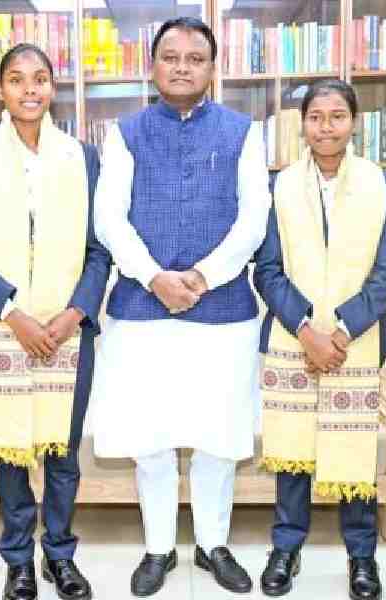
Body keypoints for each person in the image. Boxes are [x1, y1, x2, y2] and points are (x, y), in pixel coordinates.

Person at [89, 16, 270, 597]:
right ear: (153, 65)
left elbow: (253, 219)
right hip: (142, 310)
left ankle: (213, 543)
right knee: (153, 435)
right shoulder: (125, 132)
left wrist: (201, 275)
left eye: (195, 58)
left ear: (212, 68)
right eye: (172, 56)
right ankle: (159, 547)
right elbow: (109, 218)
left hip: (224, 311)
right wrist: (153, 276)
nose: (183, 66)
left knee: (218, 436)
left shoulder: (244, 132)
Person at [0, 43, 110, 600]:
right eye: (17, 80)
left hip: (68, 330)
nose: (30, 90)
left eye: (40, 79)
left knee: (61, 451)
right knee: (12, 449)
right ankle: (18, 559)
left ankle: (59, 555)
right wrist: (12, 313)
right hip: (2, 327)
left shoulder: (81, 157)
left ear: (54, 88)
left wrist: (74, 313)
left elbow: (99, 250)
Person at [253, 79, 386, 600]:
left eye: (337, 116)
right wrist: (305, 330)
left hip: (355, 341)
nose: (326, 127)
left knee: (354, 450)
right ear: (303, 125)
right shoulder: (280, 184)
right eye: (316, 117)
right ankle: (285, 548)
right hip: (294, 335)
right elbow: (267, 271)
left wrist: (340, 331)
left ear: (354, 122)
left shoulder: (384, 183)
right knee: (292, 451)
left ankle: (361, 555)